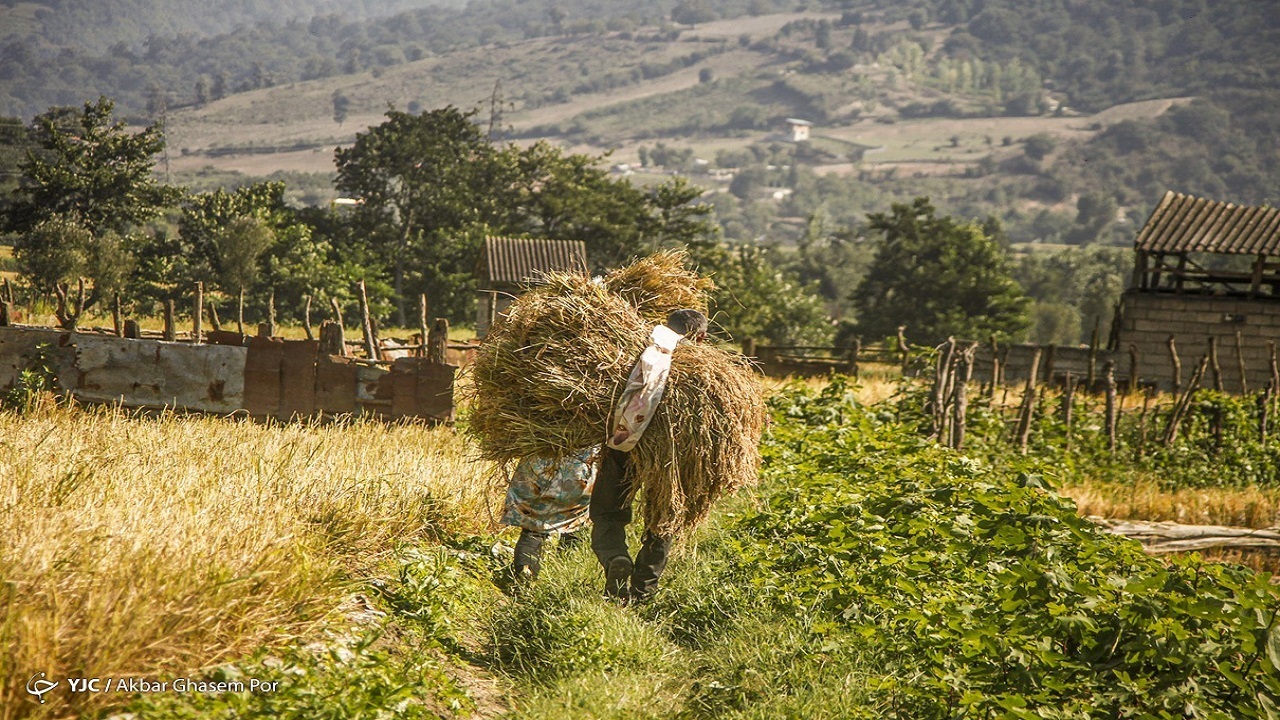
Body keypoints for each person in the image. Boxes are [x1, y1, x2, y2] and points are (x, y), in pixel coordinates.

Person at [590, 308, 708, 603]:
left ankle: (615, 557)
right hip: (673, 458)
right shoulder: (712, 376)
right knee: (662, 521)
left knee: (607, 510)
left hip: (623, 445)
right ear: (702, 336)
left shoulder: (634, 355)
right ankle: (642, 593)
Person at [500, 444, 600, 584]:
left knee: (533, 529)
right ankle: (564, 580)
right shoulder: (593, 424)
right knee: (574, 525)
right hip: (579, 470)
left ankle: (526, 572)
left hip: (538, 467)